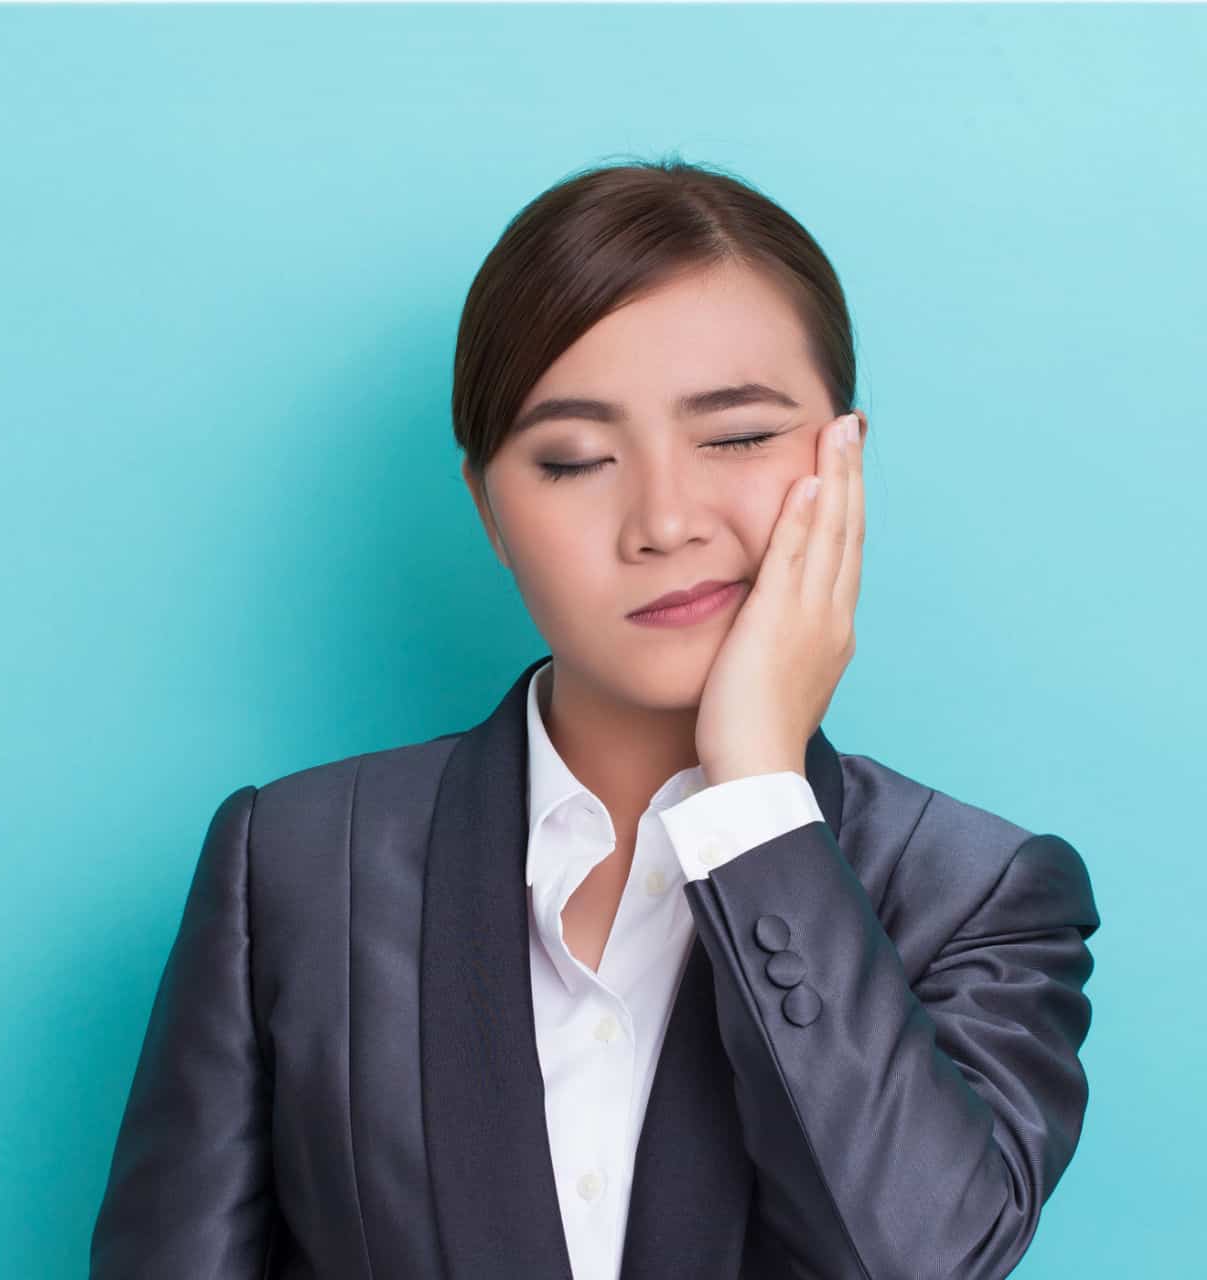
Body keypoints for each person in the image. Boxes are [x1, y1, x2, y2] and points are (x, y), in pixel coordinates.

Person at [90, 157, 1101, 1280]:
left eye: (735, 436)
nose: (664, 521)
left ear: (844, 458)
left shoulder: (982, 892)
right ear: (488, 507)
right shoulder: (288, 862)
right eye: (574, 460)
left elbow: (916, 1259)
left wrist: (759, 789)